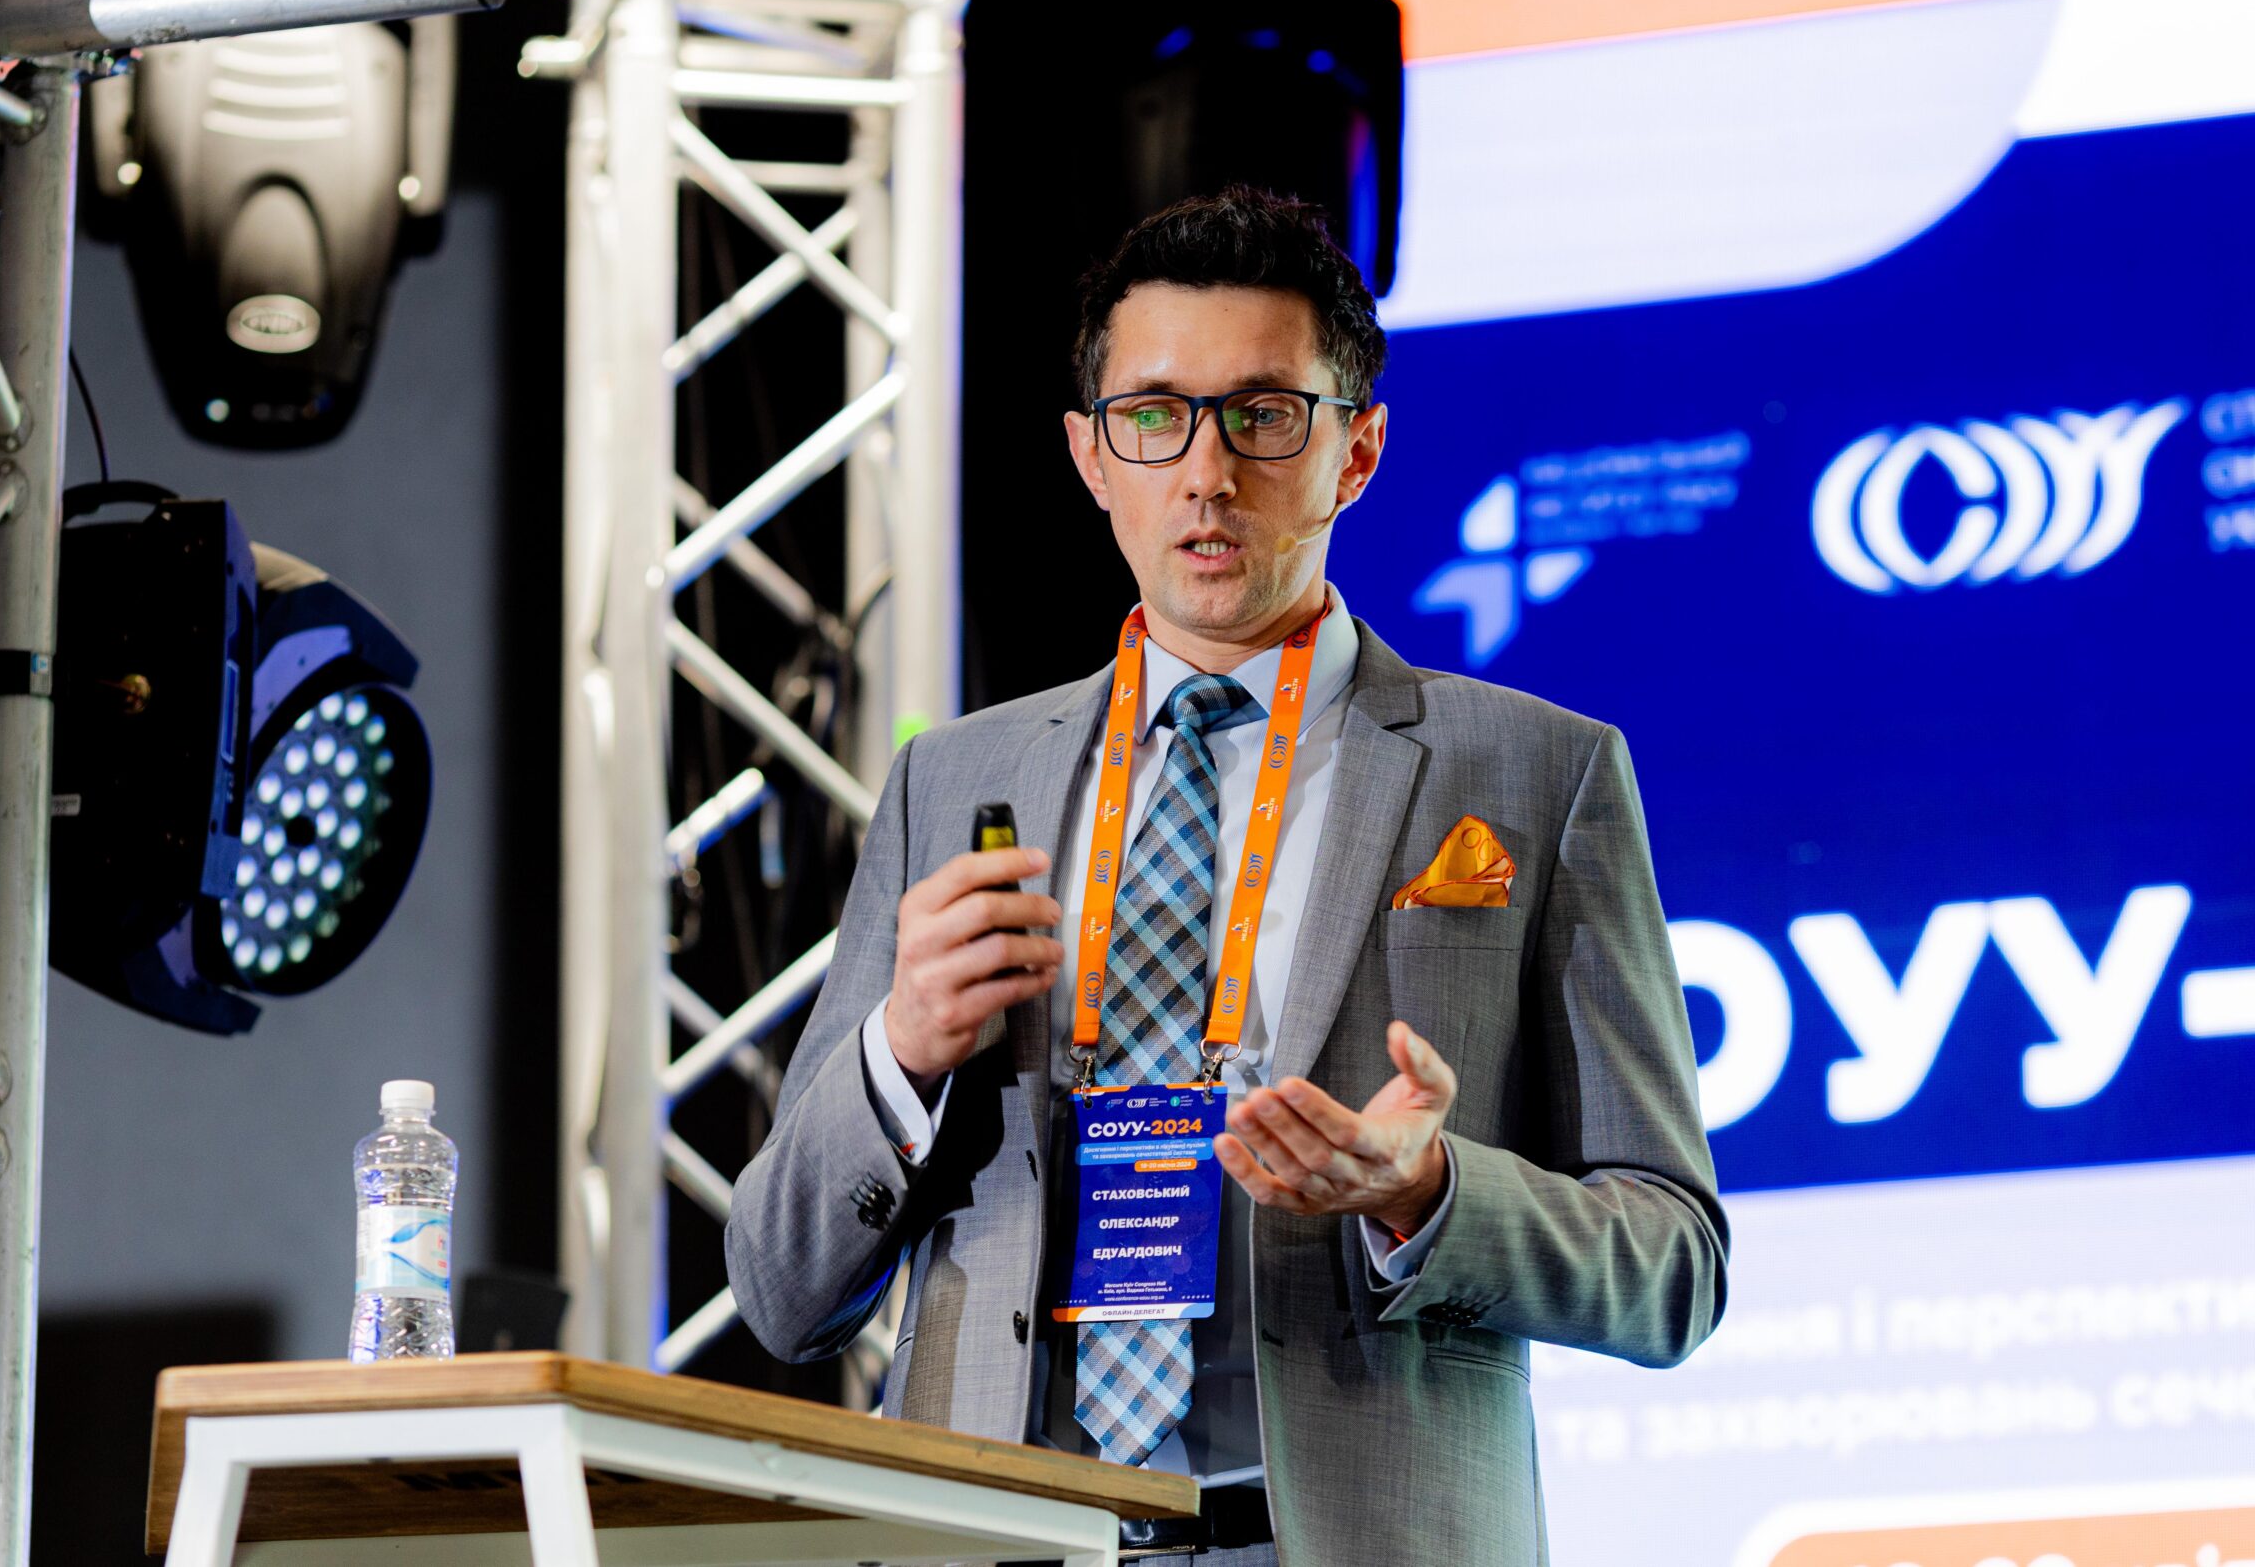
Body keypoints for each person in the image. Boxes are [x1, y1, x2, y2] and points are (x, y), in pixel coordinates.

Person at [727, 186, 1728, 1565]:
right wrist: (898, 1055)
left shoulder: (1536, 773)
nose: (1206, 474)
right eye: (1154, 417)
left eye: (1263, 416)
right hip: (1006, 1537)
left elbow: (1675, 1268)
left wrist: (1427, 1192)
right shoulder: (948, 782)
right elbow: (779, 1289)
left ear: (1357, 451)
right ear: (1091, 455)